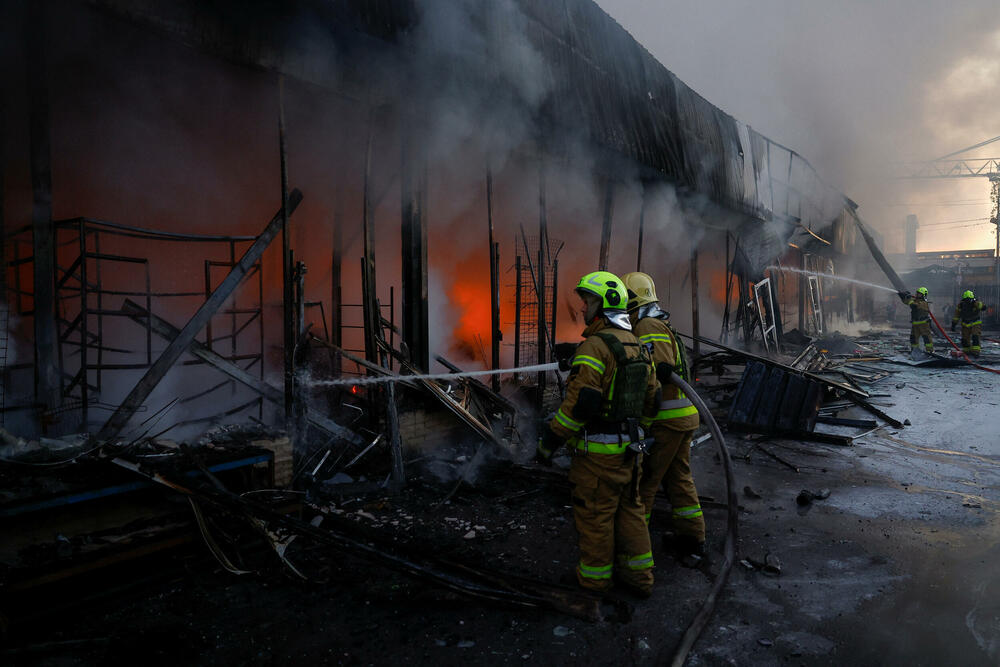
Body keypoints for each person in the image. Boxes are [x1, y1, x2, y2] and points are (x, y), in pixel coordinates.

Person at [535, 270, 660, 597]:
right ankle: (640, 579)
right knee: (632, 512)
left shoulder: (594, 346)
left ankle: (594, 582)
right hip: (632, 453)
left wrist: (550, 442)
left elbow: (580, 406)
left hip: (598, 460)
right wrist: (641, 431)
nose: (583, 308)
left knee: (596, 517)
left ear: (604, 305)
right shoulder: (638, 344)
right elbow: (654, 399)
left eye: (588, 301)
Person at [621, 272, 705, 566]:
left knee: (644, 482)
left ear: (632, 300)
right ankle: (691, 537)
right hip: (683, 416)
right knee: (678, 478)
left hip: (667, 419)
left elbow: (654, 373)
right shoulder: (658, 322)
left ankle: (635, 550)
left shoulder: (646, 326)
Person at [898, 287, 933, 353]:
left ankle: (930, 351)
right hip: (915, 324)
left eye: (919, 294)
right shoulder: (915, 300)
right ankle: (914, 351)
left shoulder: (924, 303)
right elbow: (907, 302)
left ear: (924, 295)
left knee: (927, 338)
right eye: (917, 293)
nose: (917, 294)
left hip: (923, 324)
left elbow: (913, 305)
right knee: (913, 339)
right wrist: (903, 297)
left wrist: (909, 298)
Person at [952, 290, 985, 357]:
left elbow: (982, 306)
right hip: (965, 323)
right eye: (966, 300)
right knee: (965, 339)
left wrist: (980, 305)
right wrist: (953, 324)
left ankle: (976, 352)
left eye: (969, 300)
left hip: (975, 323)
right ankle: (967, 351)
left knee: (975, 336)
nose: (967, 302)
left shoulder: (975, 303)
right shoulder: (961, 305)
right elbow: (956, 315)